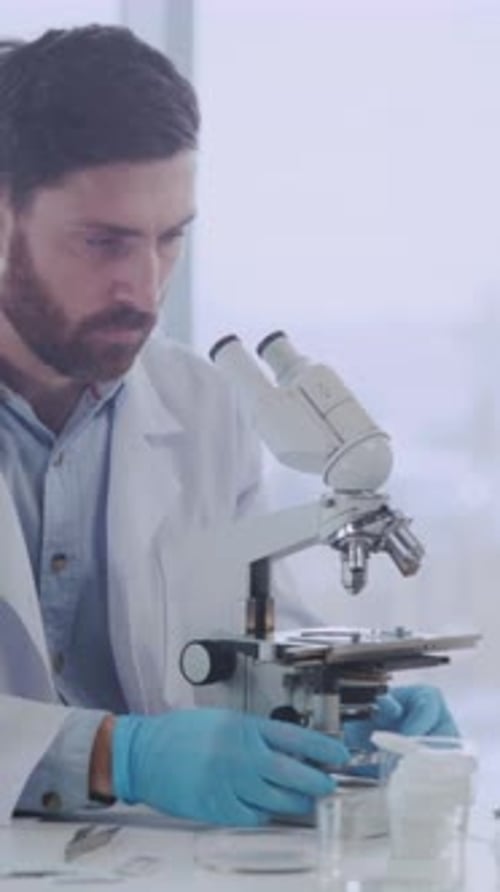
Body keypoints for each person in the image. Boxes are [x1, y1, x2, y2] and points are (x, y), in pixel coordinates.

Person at [0, 25, 457, 827]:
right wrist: (116, 755)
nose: (143, 289)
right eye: (103, 243)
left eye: (170, 239)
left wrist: (342, 710)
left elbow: (250, 637)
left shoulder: (203, 407)